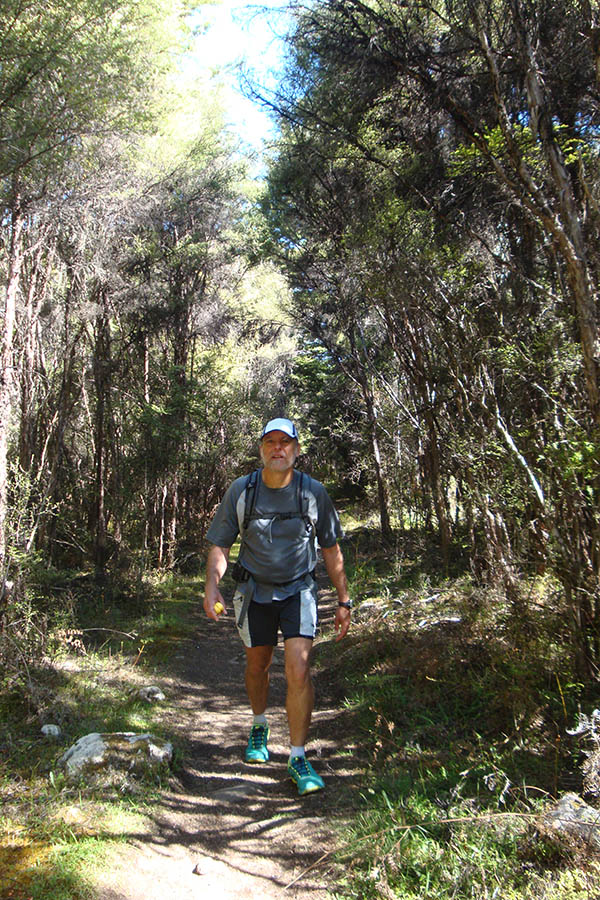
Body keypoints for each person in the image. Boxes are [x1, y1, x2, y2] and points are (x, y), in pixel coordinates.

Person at [203, 417, 351, 795]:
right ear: (261, 449)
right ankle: (259, 725)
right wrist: (212, 586)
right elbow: (221, 545)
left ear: (297, 450)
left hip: (299, 591)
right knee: (259, 666)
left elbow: (331, 548)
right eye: (271, 442)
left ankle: (298, 757)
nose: (278, 448)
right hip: (254, 592)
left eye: (285, 442)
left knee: (298, 670)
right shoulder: (243, 490)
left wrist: (344, 600)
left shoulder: (313, 492)